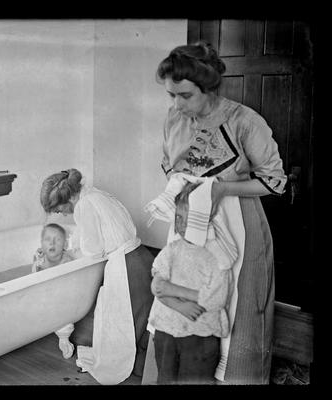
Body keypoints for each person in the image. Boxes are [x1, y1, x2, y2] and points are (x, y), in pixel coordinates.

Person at [154, 41, 287, 384]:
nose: (176, 105)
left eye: (184, 96)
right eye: (171, 95)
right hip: (188, 224)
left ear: (208, 88)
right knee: (185, 303)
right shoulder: (174, 118)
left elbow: (275, 183)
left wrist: (221, 188)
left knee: (237, 307)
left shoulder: (245, 122)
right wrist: (180, 189)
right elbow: (170, 166)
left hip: (237, 224)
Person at [40, 169, 154, 381]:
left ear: (66, 199)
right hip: (143, 257)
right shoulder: (96, 194)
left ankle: (140, 368)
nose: (63, 214)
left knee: (125, 324)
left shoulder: (83, 206)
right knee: (141, 319)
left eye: (60, 209)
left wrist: (68, 254)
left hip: (127, 266)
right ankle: (146, 364)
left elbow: (94, 252)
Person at [147, 181, 233, 384]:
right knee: (165, 378)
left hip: (200, 334)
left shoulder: (218, 255)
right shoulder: (172, 250)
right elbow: (157, 287)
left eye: (190, 218)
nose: (182, 224)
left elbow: (217, 299)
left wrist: (174, 290)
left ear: (208, 219)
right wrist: (180, 305)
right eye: (178, 217)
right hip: (167, 331)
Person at [31, 223, 77, 359]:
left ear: (64, 244)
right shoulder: (40, 260)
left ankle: (62, 331)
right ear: (41, 243)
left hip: (61, 299)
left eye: (57, 240)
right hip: (43, 296)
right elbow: (33, 279)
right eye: (47, 239)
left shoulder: (66, 261)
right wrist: (36, 265)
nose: (52, 243)